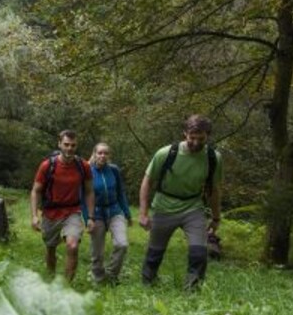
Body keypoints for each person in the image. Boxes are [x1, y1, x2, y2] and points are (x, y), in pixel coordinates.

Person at [137, 115, 223, 290]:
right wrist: (143, 213)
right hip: (164, 207)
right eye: (192, 137)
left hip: (193, 207)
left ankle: (192, 289)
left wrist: (216, 218)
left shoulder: (214, 158)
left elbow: (214, 189)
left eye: (201, 138)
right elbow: (147, 182)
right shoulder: (166, 153)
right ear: (185, 134)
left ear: (208, 136)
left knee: (199, 252)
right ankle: (148, 283)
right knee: (155, 252)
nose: (196, 143)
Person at [31, 130, 97, 281]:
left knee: (72, 246)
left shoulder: (83, 166)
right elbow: (36, 191)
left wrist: (91, 217)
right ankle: (51, 278)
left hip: (72, 211)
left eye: (73, 145)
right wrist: (34, 216)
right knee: (51, 248)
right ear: (59, 144)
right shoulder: (48, 165)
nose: (69, 148)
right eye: (66, 144)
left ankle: (66, 287)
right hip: (51, 212)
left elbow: (89, 191)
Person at [84, 142, 132, 285]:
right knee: (97, 252)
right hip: (96, 213)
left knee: (122, 244)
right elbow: (83, 196)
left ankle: (111, 275)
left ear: (109, 155)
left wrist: (127, 213)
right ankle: (98, 279)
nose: (103, 156)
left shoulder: (114, 170)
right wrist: (88, 218)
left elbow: (120, 192)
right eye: (100, 153)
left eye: (106, 153)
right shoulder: (87, 171)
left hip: (114, 211)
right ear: (94, 154)